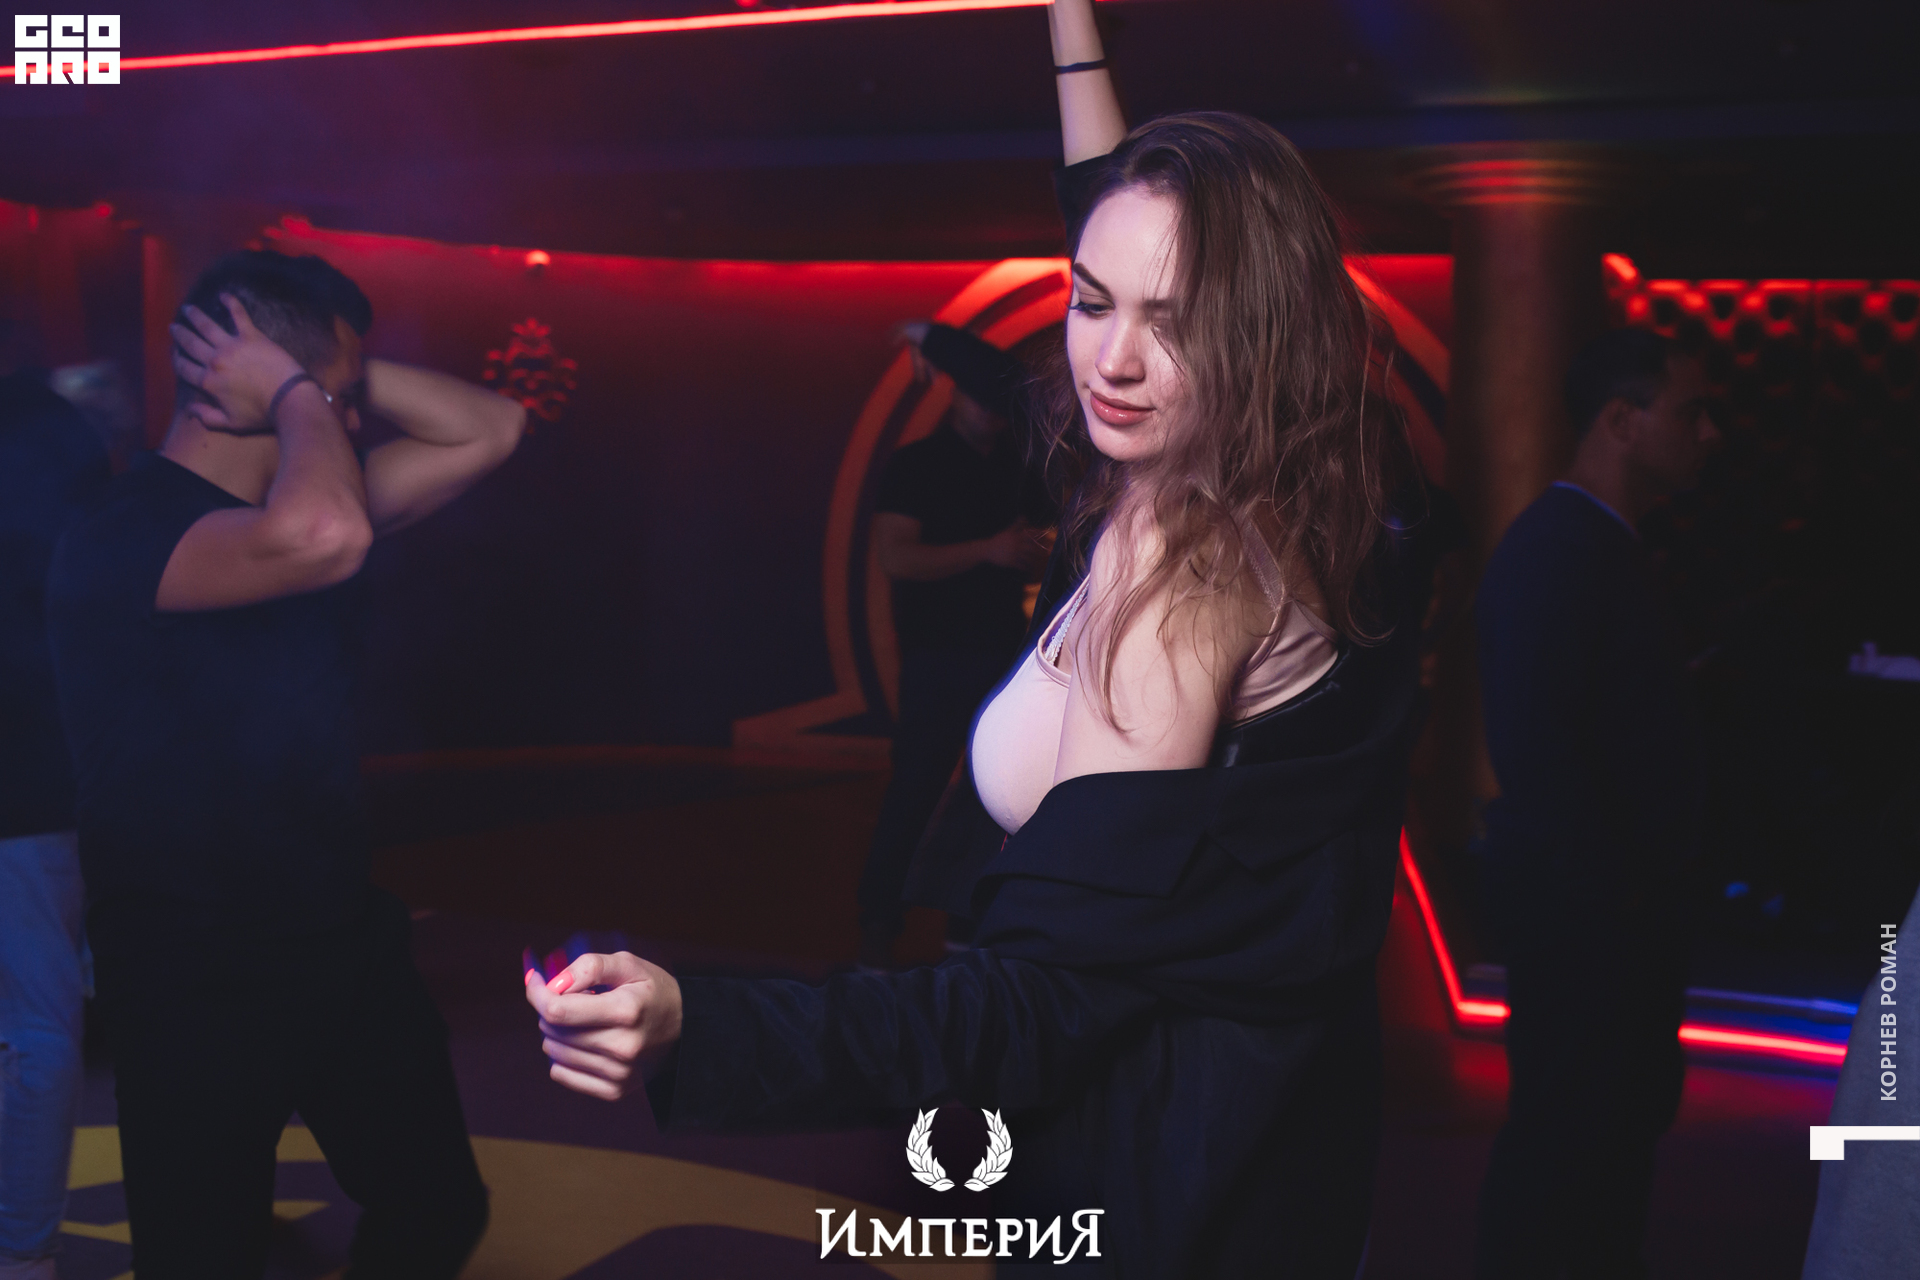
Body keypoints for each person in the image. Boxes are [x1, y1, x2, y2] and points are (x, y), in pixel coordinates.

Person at [527, 2, 1431, 1273]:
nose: (1115, 358)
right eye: (1090, 301)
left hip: (1162, 1175)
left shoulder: (1192, 577)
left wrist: (704, 1024)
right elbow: (1111, 208)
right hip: (1268, 1147)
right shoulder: (1260, 480)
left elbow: (1044, 1000)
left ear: (1257, 333)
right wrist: (1071, 19)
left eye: (1173, 322)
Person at [46, 250, 524, 1279]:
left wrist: (312, 374)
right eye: (331, 398)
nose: (345, 418)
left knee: (436, 1205)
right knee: (202, 1260)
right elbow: (321, 536)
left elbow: (493, 427)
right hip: (192, 972)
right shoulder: (120, 532)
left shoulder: (320, 491)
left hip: (341, 945)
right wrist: (300, 384)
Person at [1473, 328, 1720, 1280]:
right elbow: (1537, 755)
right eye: (1691, 412)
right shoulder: (1559, 550)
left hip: (1613, 926)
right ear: (1622, 420)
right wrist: (1617, 906)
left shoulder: (1598, 547)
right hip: (1587, 931)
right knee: (1566, 1161)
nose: (1709, 434)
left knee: (1601, 1158)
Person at [857, 321, 1050, 968]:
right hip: (937, 656)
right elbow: (895, 557)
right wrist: (988, 550)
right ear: (953, 393)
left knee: (990, 797)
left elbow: (1045, 531)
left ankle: (965, 930)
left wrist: (1027, 553)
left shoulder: (1017, 467)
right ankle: (877, 926)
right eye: (978, 399)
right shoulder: (917, 465)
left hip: (1000, 654)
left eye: (997, 405)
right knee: (915, 788)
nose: (990, 413)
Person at [0, 332, 110, 1280]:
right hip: (37, 779)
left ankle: (21, 1252)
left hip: (26, 783)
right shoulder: (52, 423)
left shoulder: (39, 425)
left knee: (35, 1029)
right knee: (35, 1024)